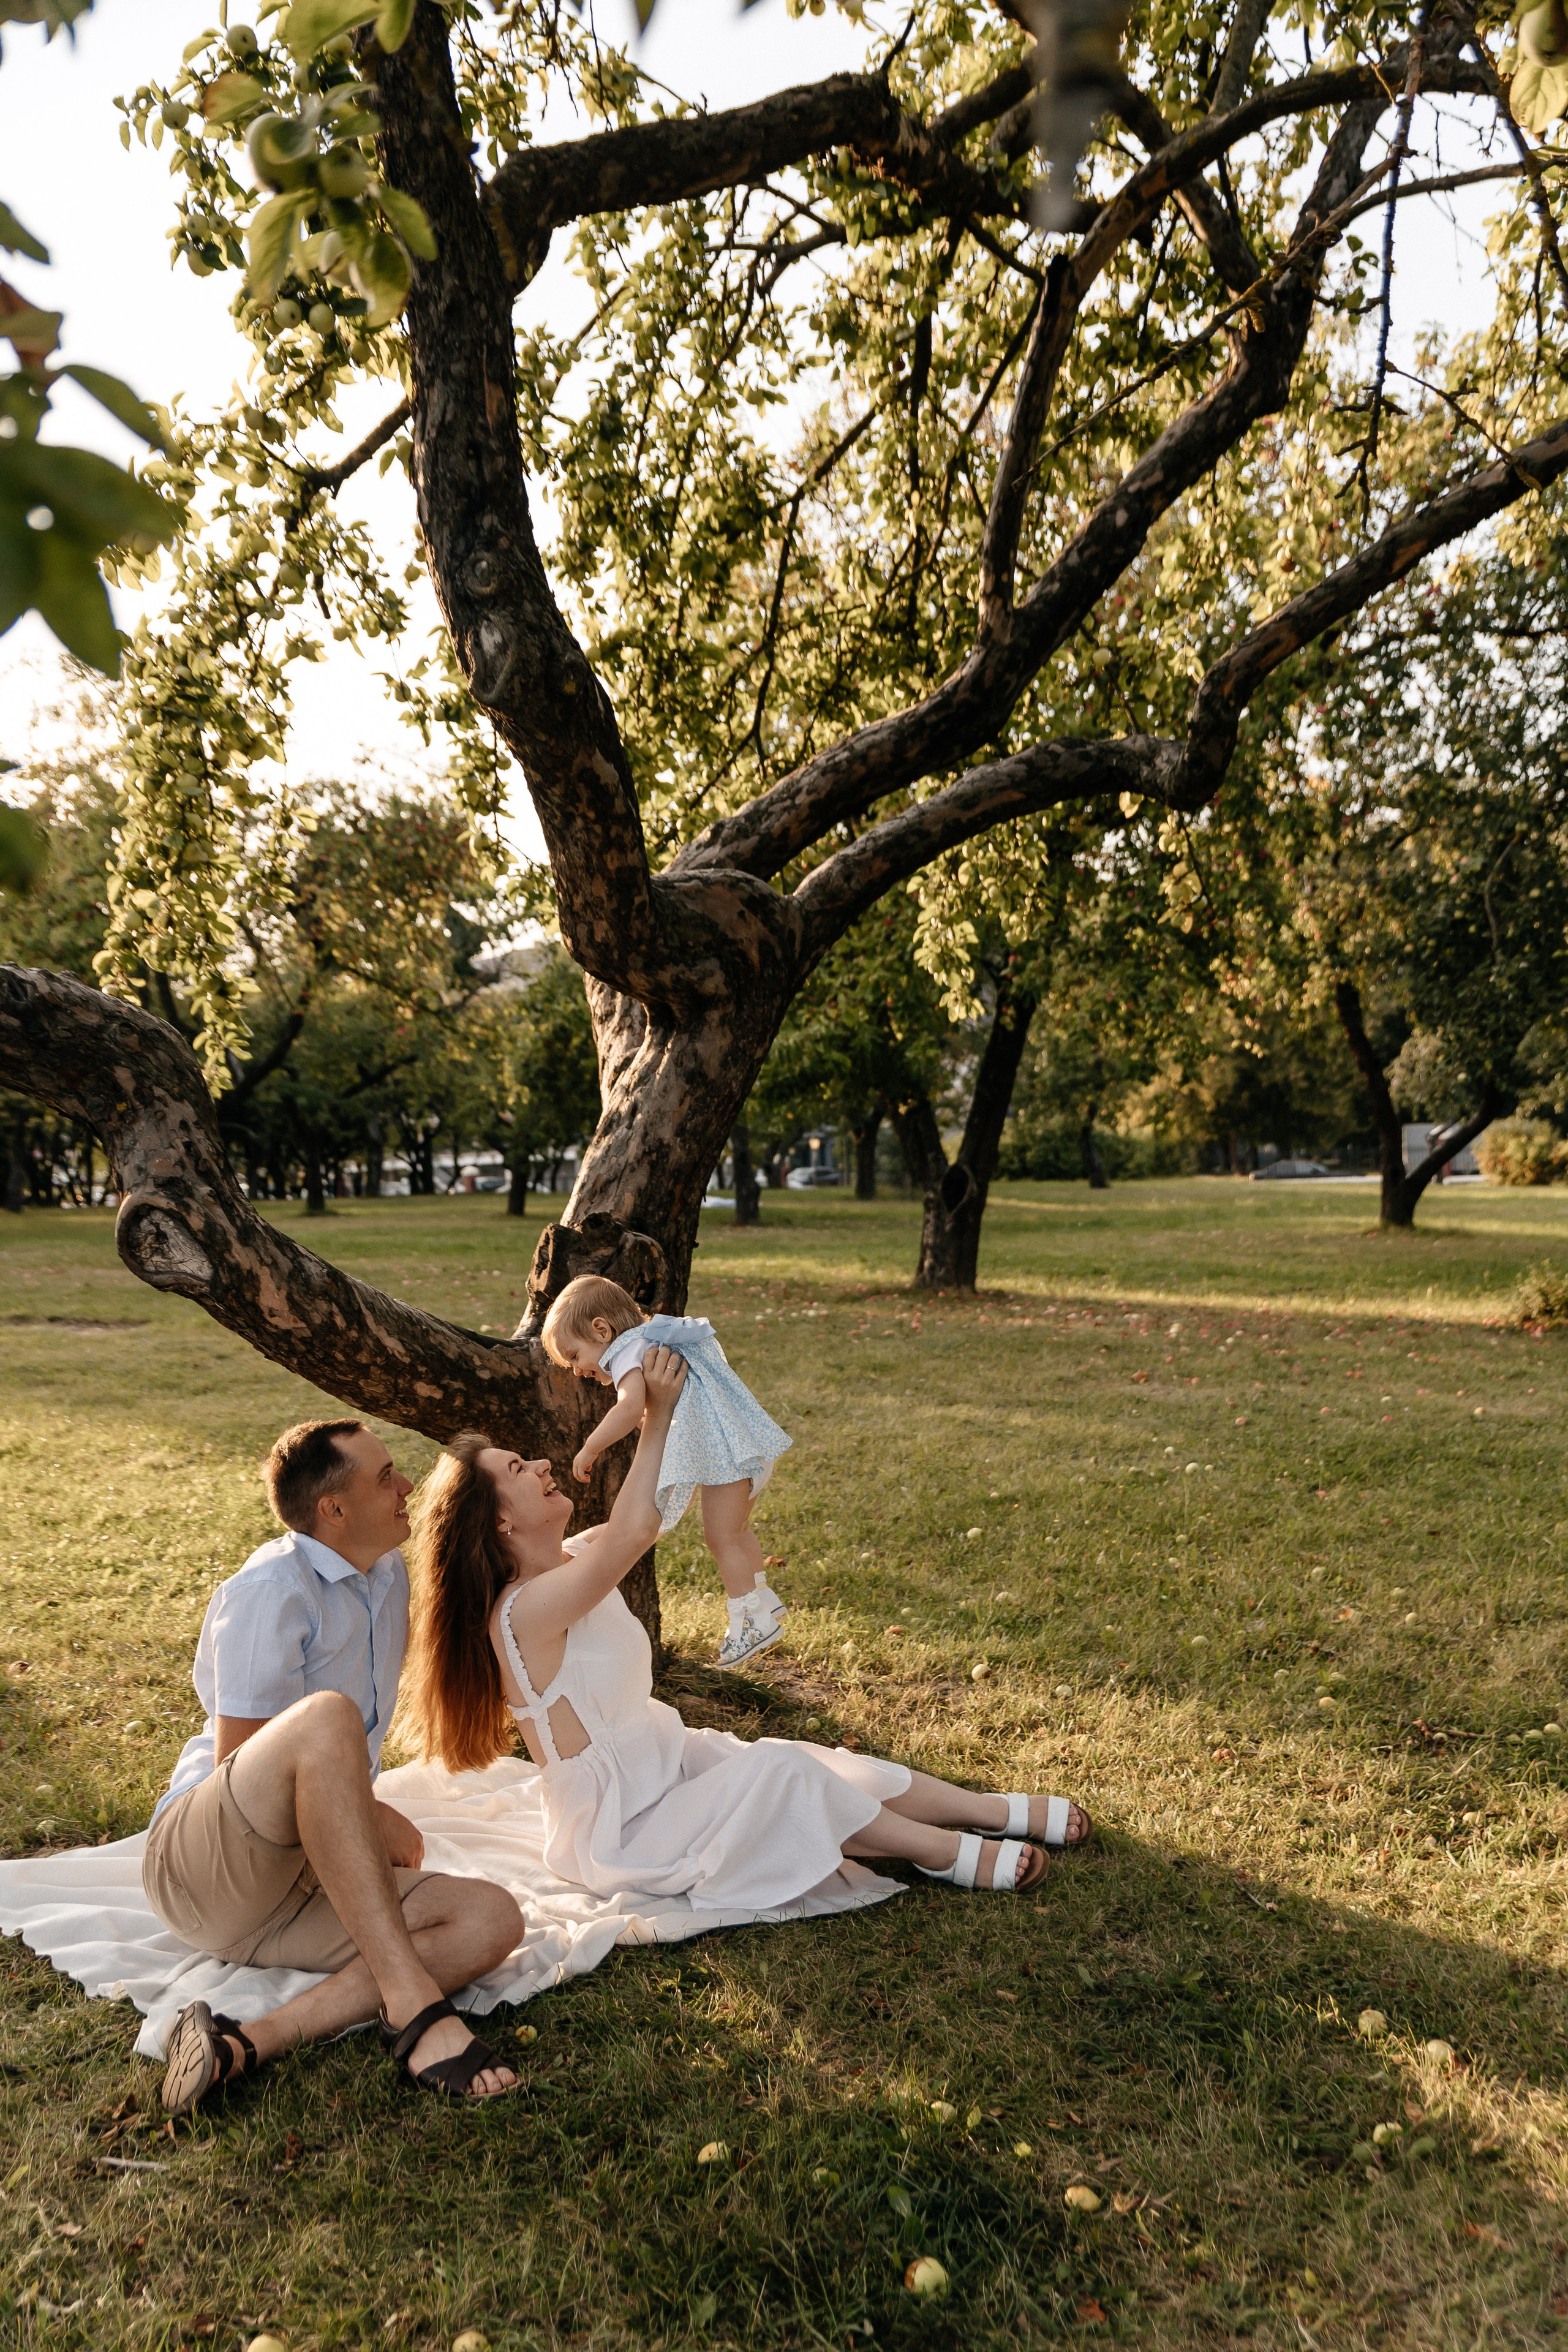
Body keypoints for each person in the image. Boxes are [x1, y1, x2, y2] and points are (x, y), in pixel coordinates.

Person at [400, 1347, 1091, 1908]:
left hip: (664, 1764)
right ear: (499, 1522)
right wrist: (658, 1413)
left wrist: (717, 1442)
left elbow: (658, 1511)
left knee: (828, 1766)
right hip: (626, 1830)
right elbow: (637, 1531)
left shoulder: (576, 1559)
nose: (544, 1465)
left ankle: (990, 1809)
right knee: (781, 1771)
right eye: (520, 1469)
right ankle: (940, 1854)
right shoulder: (521, 1614)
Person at [143, 1419, 525, 2116]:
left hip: (287, 1898)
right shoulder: (272, 1588)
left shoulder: (384, 1578)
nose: (406, 1485)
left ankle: (244, 2044)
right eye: (385, 1477)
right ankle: (416, 2010)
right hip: (207, 1868)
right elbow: (238, 1760)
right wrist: (369, 1814)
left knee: (492, 1918)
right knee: (326, 1716)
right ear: (334, 1510)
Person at [541, 1275, 791, 1667]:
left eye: (573, 1356)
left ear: (601, 1330)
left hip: (725, 1457)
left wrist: (589, 1448)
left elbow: (627, 1407)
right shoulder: (653, 1339)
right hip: (745, 1446)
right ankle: (761, 1598)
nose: (575, 1370)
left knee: (721, 1538)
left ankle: (750, 1620)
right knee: (738, 1532)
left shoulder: (624, 1350)